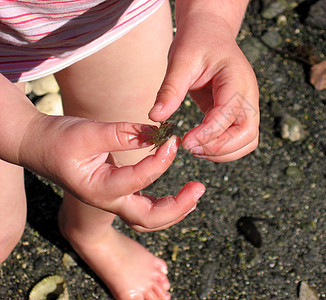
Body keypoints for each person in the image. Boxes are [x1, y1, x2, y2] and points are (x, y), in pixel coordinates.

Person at [0, 0, 259, 299]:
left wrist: (212, 19)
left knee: (123, 163)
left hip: (116, 17)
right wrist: (26, 136)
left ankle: (90, 232)